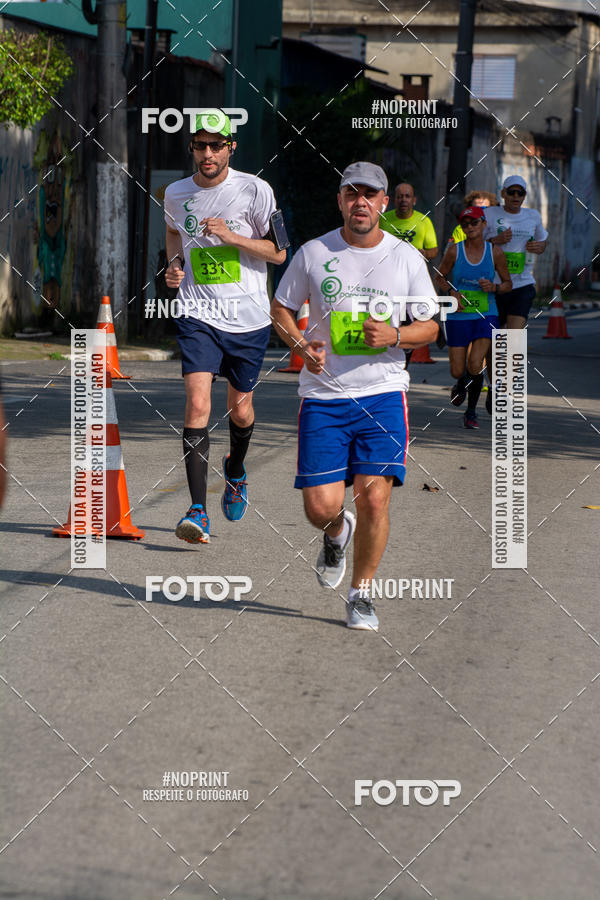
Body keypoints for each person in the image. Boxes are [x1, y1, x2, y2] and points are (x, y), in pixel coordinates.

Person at [271, 162, 439, 632]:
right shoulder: (313, 252)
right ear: (340, 200)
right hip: (324, 397)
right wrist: (301, 346)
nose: (360, 202)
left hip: (382, 394)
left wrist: (395, 335)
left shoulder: (405, 258)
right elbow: (281, 308)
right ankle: (336, 531)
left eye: (370, 194)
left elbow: (429, 326)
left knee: (374, 500)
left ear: (384, 202)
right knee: (320, 507)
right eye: (352, 194)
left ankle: (361, 594)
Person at [164, 110, 286, 543]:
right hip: (198, 312)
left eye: (217, 145)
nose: (208, 153)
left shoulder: (255, 190)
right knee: (197, 403)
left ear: (231, 147)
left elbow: (279, 253)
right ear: (192, 148)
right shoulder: (176, 193)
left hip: (248, 318)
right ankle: (198, 510)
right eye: (201, 145)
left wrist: (232, 237)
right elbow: (174, 233)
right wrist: (174, 266)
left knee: (240, 409)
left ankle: (235, 470)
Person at [435, 206, 512, 429]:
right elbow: (439, 276)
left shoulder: (495, 252)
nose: (470, 227)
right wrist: (452, 292)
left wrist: (494, 287)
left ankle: (471, 412)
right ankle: (461, 382)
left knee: (476, 363)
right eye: (465, 223)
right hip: (459, 315)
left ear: (483, 224)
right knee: (457, 370)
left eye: (474, 222)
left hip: (486, 314)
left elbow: (508, 284)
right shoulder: (454, 251)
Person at [482, 174, 547, 412]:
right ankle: (494, 386)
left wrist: (539, 247)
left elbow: (542, 241)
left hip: (522, 285)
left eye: (521, 193)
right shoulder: (489, 214)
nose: (516, 197)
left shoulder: (533, 216)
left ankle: (506, 388)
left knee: (513, 339)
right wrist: (495, 240)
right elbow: (474, 243)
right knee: (494, 343)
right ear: (503, 194)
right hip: (495, 286)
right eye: (512, 192)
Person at [380, 182, 438, 259]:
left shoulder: (424, 221)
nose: (403, 200)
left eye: (407, 196)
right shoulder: (382, 219)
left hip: (414, 265)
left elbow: (433, 250)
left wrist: (425, 254)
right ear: (394, 200)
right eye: (399, 197)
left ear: (414, 200)